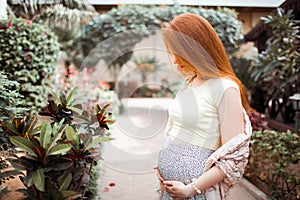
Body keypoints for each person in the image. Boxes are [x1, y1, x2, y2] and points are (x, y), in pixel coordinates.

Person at [155, 13, 252, 200]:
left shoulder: (225, 88)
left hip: (197, 193)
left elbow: (233, 157)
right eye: (172, 53)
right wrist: (164, 165)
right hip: (171, 191)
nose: (175, 60)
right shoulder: (190, 82)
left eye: (179, 53)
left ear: (196, 50)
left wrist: (191, 189)